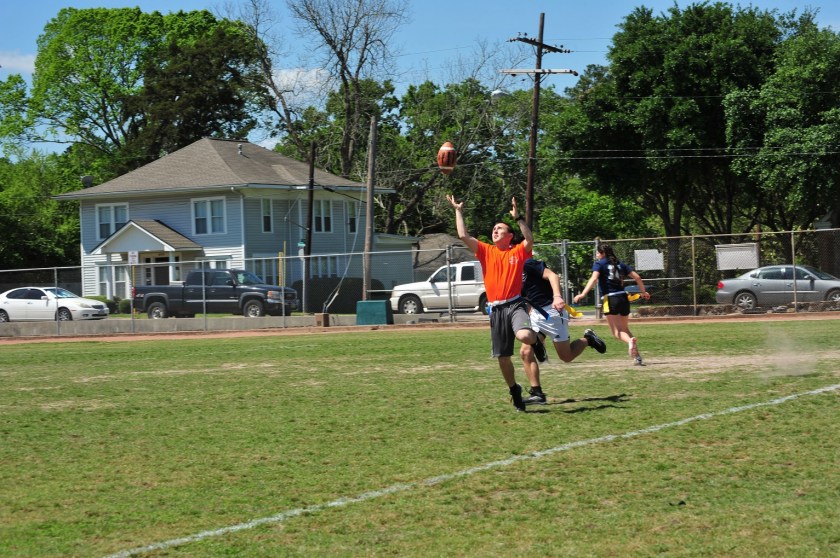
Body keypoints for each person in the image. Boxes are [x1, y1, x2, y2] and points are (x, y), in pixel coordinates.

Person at [447, 194, 546, 412]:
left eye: (500, 228)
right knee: (503, 358)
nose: (495, 231)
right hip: (496, 309)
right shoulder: (486, 251)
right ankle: (514, 390)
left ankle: (537, 342)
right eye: (494, 228)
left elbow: (530, 240)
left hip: (515, 304)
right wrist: (458, 210)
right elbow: (463, 234)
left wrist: (518, 218)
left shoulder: (518, 251)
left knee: (525, 336)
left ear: (510, 236)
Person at [519, 257, 607, 405]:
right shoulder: (511, 270)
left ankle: (588, 339)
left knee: (566, 356)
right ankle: (537, 393)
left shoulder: (527, 263)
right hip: (536, 315)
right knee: (525, 352)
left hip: (552, 312)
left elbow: (553, 276)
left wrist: (557, 297)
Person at [573, 244, 650, 365]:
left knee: (617, 332)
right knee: (625, 329)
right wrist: (643, 292)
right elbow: (637, 277)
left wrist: (582, 294)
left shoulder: (600, 264)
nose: (597, 256)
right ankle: (637, 357)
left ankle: (630, 342)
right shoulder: (619, 263)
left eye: (598, 253)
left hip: (610, 299)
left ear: (602, 253)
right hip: (623, 298)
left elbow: (593, 279)